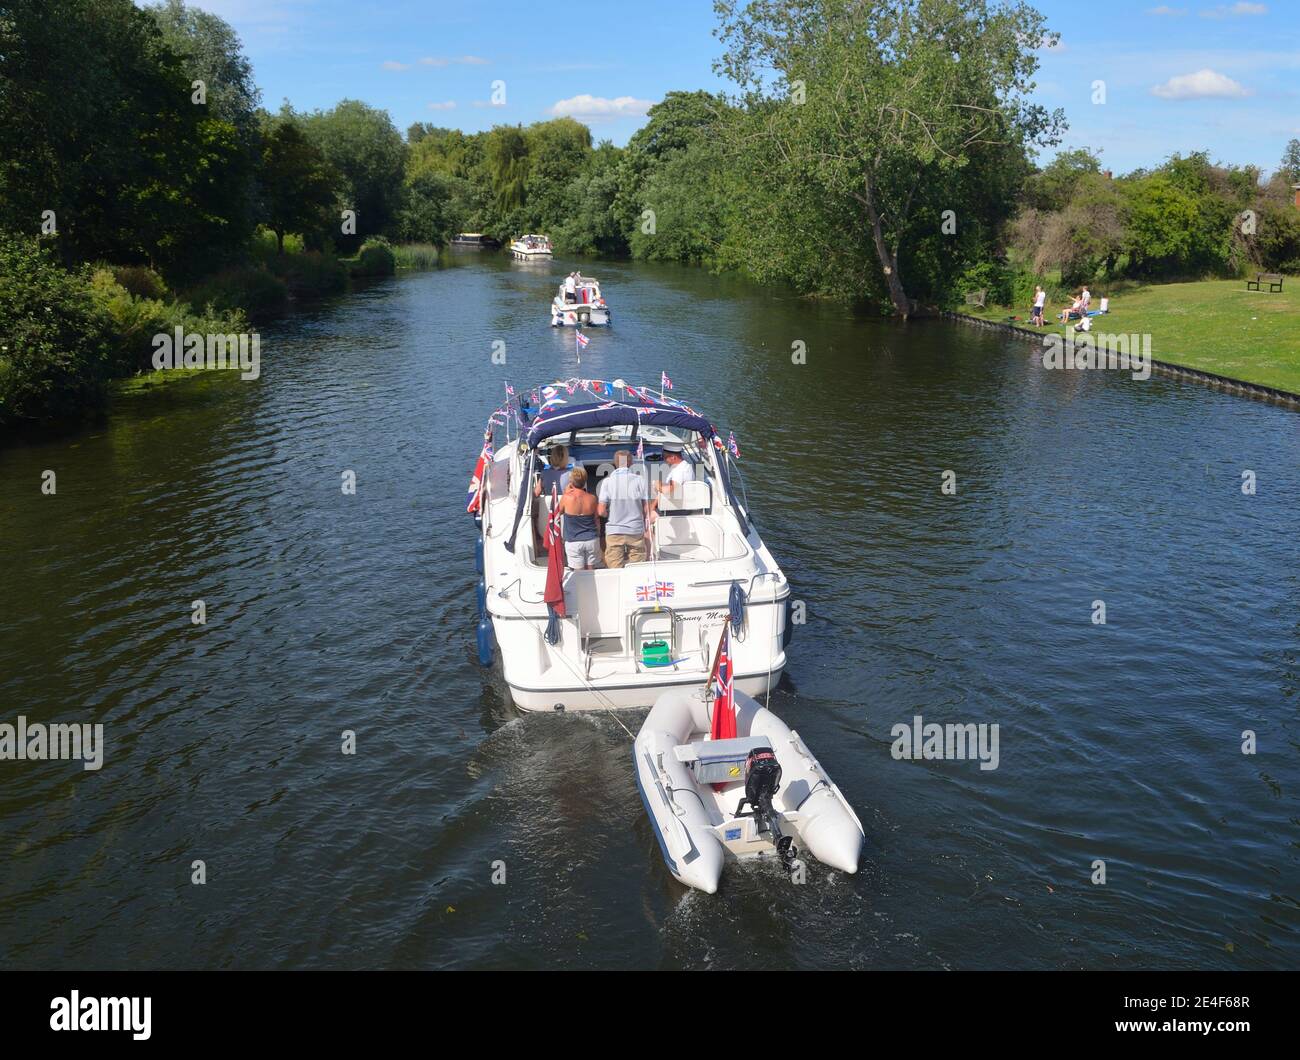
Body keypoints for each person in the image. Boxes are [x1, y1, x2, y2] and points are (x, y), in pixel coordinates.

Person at [597, 450, 649, 568]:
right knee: (637, 568)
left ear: (615, 463)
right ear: (630, 463)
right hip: (635, 530)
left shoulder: (607, 482)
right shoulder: (640, 480)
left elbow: (601, 511)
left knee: (615, 569)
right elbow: (646, 508)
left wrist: (608, 514)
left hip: (614, 531)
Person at [559, 468, 600, 570]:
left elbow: (558, 512)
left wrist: (566, 492)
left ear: (571, 482)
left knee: (578, 575)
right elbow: (596, 519)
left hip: (574, 541)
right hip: (591, 539)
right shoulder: (592, 498)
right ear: (585, 481)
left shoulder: (566, 498)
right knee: (591, 572)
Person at [653, 443, 693, 511]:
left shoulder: (680, 471)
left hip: (677, 509)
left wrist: (657, 484)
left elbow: (666, 491)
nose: (664, 461)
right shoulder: (682, 466)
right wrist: (653, 505)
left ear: (673, 457)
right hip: (675, 505)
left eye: (665, 458)